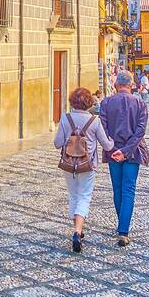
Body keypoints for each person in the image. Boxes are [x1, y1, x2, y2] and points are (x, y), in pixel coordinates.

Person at [54, 87, 115, 252]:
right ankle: (77, 231)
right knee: (84, 197)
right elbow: (107, 145)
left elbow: (57, 143)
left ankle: (77, 230)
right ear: (89, 103)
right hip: (88, 165)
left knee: (73, 195)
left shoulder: (66, 118)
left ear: (73, 101)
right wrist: (112, 141)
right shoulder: (94, 121)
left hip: (69, 165)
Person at [98, 72, 149, 246]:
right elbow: (140, 131)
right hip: (133, 152)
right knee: (129, 189)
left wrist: (114, 149)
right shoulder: (140, 103)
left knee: (117, 189)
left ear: (116, 85)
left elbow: (102, 129)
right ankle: (123, 230)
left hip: (113, 153)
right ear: (131, 84)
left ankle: (122, 224)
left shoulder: (106, 103)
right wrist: (126, 151)